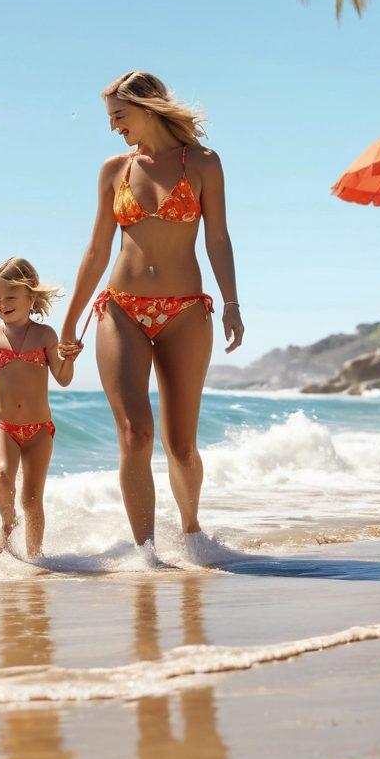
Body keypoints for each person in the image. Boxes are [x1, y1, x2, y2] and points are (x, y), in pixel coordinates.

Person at [58, 72, 243, 560]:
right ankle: (146, 556)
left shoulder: (203, 163)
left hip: (186, 312)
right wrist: (70, 322)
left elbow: (218, 238)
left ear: (148, 108)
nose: (113, 126)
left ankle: (193, 534)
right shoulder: (114, 170)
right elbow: (97, 250)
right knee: (135, 435)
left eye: (119, 115)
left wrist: (231, 302)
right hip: (122, 309)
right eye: (110, 118)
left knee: (181, 445)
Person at [0, 258, 76, 558]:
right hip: (2, 425)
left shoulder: (45, 335)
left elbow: (63, 378)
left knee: (32, 500)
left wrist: (69, 358)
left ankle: (35, 560)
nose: (2, 304)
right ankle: (7, 524)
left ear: (31, 297)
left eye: (10, 297)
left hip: (39, 430)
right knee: (1, 475)